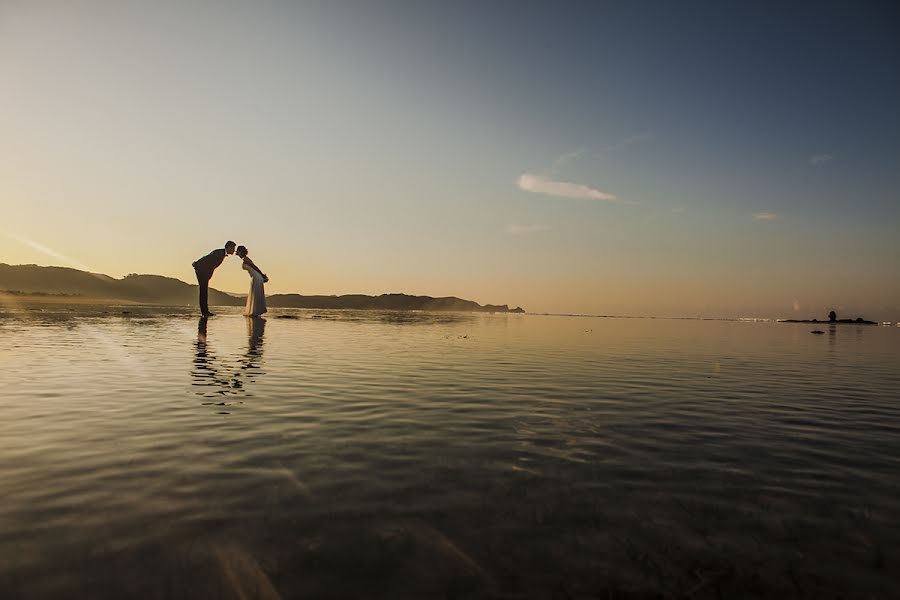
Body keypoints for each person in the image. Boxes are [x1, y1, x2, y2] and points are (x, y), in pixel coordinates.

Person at [192, 241, 236, 316]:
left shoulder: (221, 253)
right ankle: (205, 312)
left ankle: (205, 311)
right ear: (229, 247)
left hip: (203, 271)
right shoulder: (219, 253)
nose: (234, 251)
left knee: (204, 292)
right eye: (233, 249)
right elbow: (207, 260)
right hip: (202, 271)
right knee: (203, 292)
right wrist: (197, 265)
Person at [236, 245, 268, 317]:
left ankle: (256, 312)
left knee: (256, 294)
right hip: (254, 277)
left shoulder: (246, 259)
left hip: (257, 277)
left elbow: (255, 267)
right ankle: (256, 312)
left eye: (237, 251)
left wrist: (263, 276)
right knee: (255, 294)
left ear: (240, 252)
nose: (236, 253)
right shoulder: (245, 259)